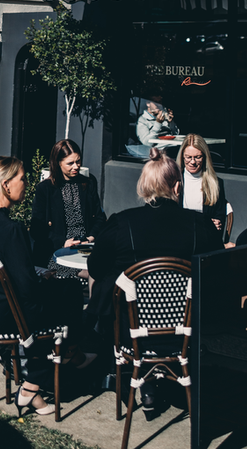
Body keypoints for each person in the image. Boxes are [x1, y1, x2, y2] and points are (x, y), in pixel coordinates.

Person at [87, 148, 221, 412]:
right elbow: (217, 269)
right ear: (177, 186)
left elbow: (95, 266)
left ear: (144, 187)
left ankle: (137, 378)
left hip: (131, 332)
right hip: (185, 331)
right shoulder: (200, 225)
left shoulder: (121, 223)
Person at [0, 156, 95, 417]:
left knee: (59, 289)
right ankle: (38, 379)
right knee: (68, 291)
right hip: (4, 315)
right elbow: (27, 292)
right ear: (7, 185)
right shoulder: (11, 229)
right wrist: (46, 280)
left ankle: (69, 354)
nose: (28, 183)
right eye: (23, 178)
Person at [30, 139, 106, 273]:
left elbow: (99, 217)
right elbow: (37, 229)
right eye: (70, 163)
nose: (76, 166)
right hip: (57, 251)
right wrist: (63, 243)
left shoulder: (88, 183)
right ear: (58, 163)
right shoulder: (45, 189)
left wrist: (90, 238)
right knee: (91, 273)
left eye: (78, 161)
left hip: (86, 246)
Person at [177, 133, 227, 232]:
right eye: (188, 157)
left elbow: (220, 215)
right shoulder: (173, 181)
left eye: (197, 157)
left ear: (204, 157)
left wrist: (217, 223)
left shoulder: (216, 183)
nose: (192, 162)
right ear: (182, 156)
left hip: (205, 237)